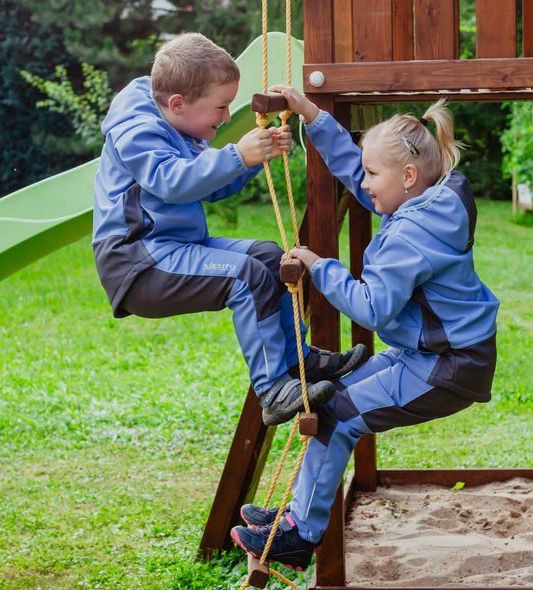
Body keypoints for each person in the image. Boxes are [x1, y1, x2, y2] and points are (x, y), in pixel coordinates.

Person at [230, 89, 499, 570]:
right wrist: (314, 117)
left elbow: (371, 308)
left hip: (449, 366)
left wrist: (320, 266)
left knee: (337, 416)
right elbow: (356, 172)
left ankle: (298, 534)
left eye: (376, 174)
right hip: (428, 353)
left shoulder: (413, 234)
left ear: (408, 177)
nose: (366, 183)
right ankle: (296, 516)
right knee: (329, 399)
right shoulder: (425, 203)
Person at [92, 34, 368, 427]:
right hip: (137, 261)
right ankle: (273, 391)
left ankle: (297, 361)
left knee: (271, 259)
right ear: (177, 104)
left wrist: (257, 157)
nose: (225, 117)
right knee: (246, 275)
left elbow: (214, 184)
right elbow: (173, 181)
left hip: (174, 248)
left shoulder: (177, 120)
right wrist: (237, 153)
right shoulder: (137, 129)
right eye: (220, 107)